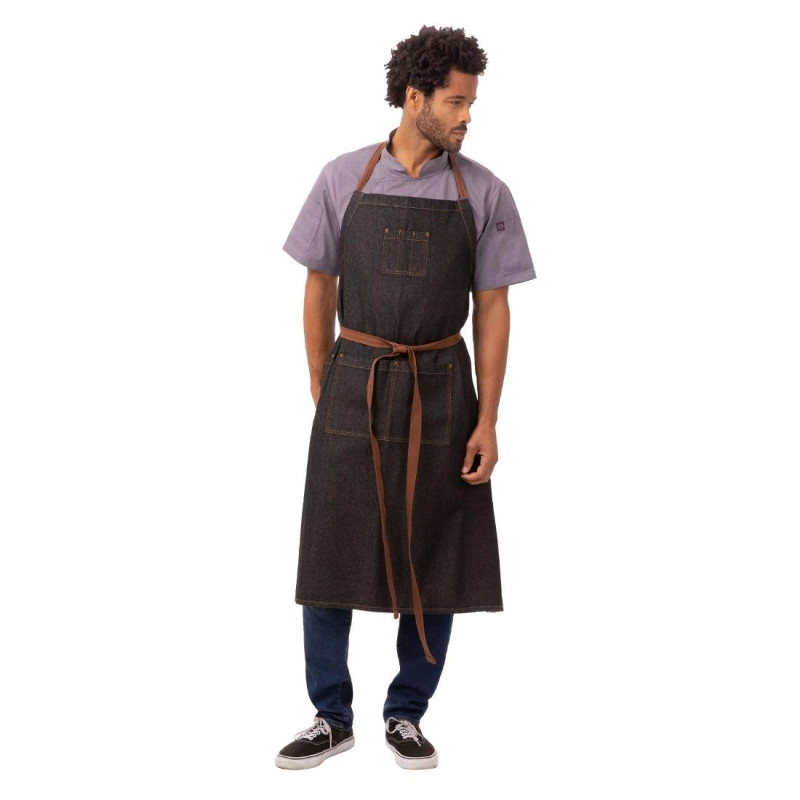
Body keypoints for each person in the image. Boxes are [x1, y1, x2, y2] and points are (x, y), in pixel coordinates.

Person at [275, 25, 536, 771]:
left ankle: (407, 714)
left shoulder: (484, 191)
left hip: (443, 388)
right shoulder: (342, 177)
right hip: (355, 381)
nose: (467, 116)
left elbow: (493, 307)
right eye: (456, 101)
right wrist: (323, 377)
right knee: (330, 549)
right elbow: (318, 283)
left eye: (471, 103)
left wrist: (488, 417)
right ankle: (331, 716)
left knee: (437, 553)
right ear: (414, 96)